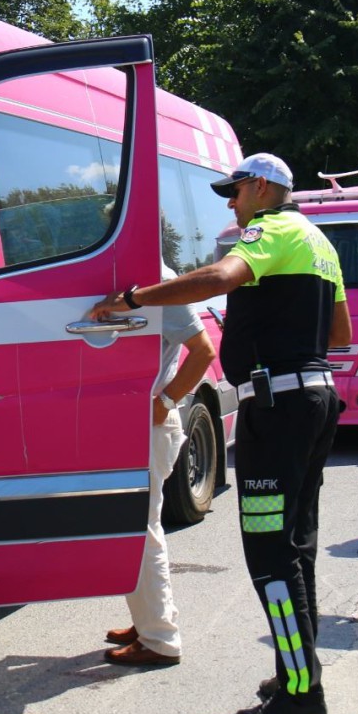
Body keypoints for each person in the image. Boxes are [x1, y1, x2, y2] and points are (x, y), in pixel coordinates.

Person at [89, 152, 351, 714]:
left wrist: (134, 299)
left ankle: (301, 696)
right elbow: (340, 332)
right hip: (315, 398)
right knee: (296, 547)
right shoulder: (319, 242)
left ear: (260, 187)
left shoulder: (270, 229)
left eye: (234, 192)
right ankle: (298, 674)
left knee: (270, 556)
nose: (231, 205)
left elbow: (221, 277)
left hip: (276, 406)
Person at [102, 266, 217, 667]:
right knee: (141, 528)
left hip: (150, 427)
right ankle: (149, 621)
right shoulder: (131, 278)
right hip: (137, 426)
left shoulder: (162, 280)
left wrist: (165, 402)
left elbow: (203, 351)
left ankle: (160, 640)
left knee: (142, 531)